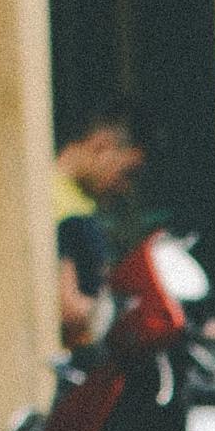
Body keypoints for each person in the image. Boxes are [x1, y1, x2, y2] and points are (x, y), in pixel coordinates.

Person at [52, 102, 145, 347]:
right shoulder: (58, 206)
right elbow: (69, 307)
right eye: (127, 173)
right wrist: (142, 320)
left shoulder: (79, 203)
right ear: (101, 146)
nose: (125, 187)